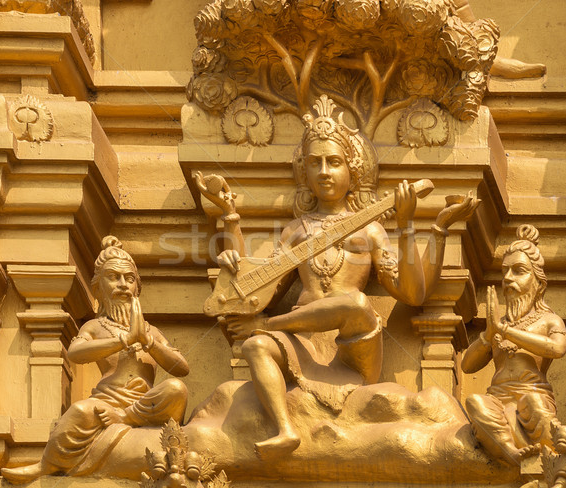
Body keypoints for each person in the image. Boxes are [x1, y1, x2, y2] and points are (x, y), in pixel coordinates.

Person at [197, 95, 479, 459]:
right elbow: (254, 287)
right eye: (315, 163)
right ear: (304, 172)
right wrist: (230, 221)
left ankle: (271, 327)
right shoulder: (295, 231)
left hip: (354, 348)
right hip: (303, 343)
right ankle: (285, 430)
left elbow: (412, 292)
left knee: (355, 303)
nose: (325, 171)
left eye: (334, 162)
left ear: (353, 169)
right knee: (256, 346)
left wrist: (420, 225)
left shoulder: (372, 231)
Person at [2, 236, 190, 484]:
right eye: (113, 277)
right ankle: (45, 464)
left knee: (176, 389)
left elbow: (181, 368)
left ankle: (125, 419)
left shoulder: (150, 331)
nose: (123, 285)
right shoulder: (96, 326)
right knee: (79, 410)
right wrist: (123, 340)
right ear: (98, 288)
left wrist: (148, 341)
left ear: (137, 288)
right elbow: (75, 353)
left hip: (144, 404)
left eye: (129, 279)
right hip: (106, 401)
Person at [462, 224, 566, 465]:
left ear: (538, 282)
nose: (508, 278)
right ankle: (510, 452)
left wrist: (506, 331)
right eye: (505, 271)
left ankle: (554, 456)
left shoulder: (548, 320)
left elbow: (557, 348)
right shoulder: (498, 324)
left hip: (533, 395)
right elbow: (467, 366)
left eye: (519, 271)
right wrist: (489, 335)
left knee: (532, 404)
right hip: (498, 399)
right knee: (474, 402)